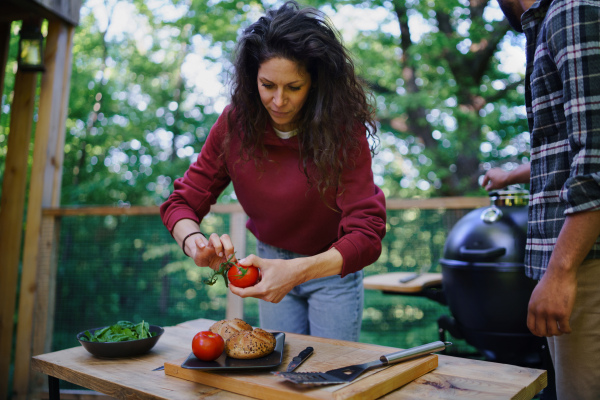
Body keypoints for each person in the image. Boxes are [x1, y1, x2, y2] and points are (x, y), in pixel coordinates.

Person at [160, 1, 386, 342]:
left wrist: (296, 272)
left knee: (330, 379)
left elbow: (367, 234)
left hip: (330, 270)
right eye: (268, 86)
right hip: (267, 262)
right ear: (253, 80)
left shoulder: (343, 130)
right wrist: (194, 243)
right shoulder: (233, 124)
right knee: (282, 373)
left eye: (293, 87)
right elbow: (181, 203)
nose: (279, 101)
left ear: (316, 83)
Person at [483, 1, 600, 398]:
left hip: (587, 261)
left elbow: (596, 157)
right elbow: (571, 144)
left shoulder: (572, 10)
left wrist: (561, 271)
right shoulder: (552, 20)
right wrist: (512, 175)